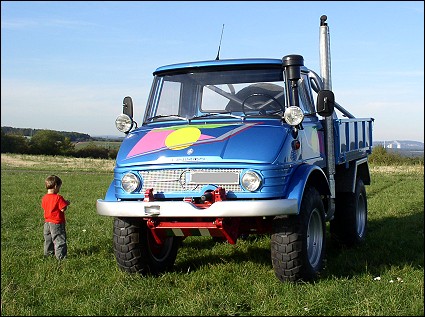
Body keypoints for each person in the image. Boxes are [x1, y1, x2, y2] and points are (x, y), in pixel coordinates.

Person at [41, 175, 70, 260]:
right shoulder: (58, 197)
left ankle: (48, 254)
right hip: (57, 223)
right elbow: (62, 209)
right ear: (56, 186)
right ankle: (61, 257)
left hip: (47, 222)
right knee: (59, 240)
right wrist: (66, 203)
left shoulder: (44, 197)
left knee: (48, 239)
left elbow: (44, 207)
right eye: (59, 187)